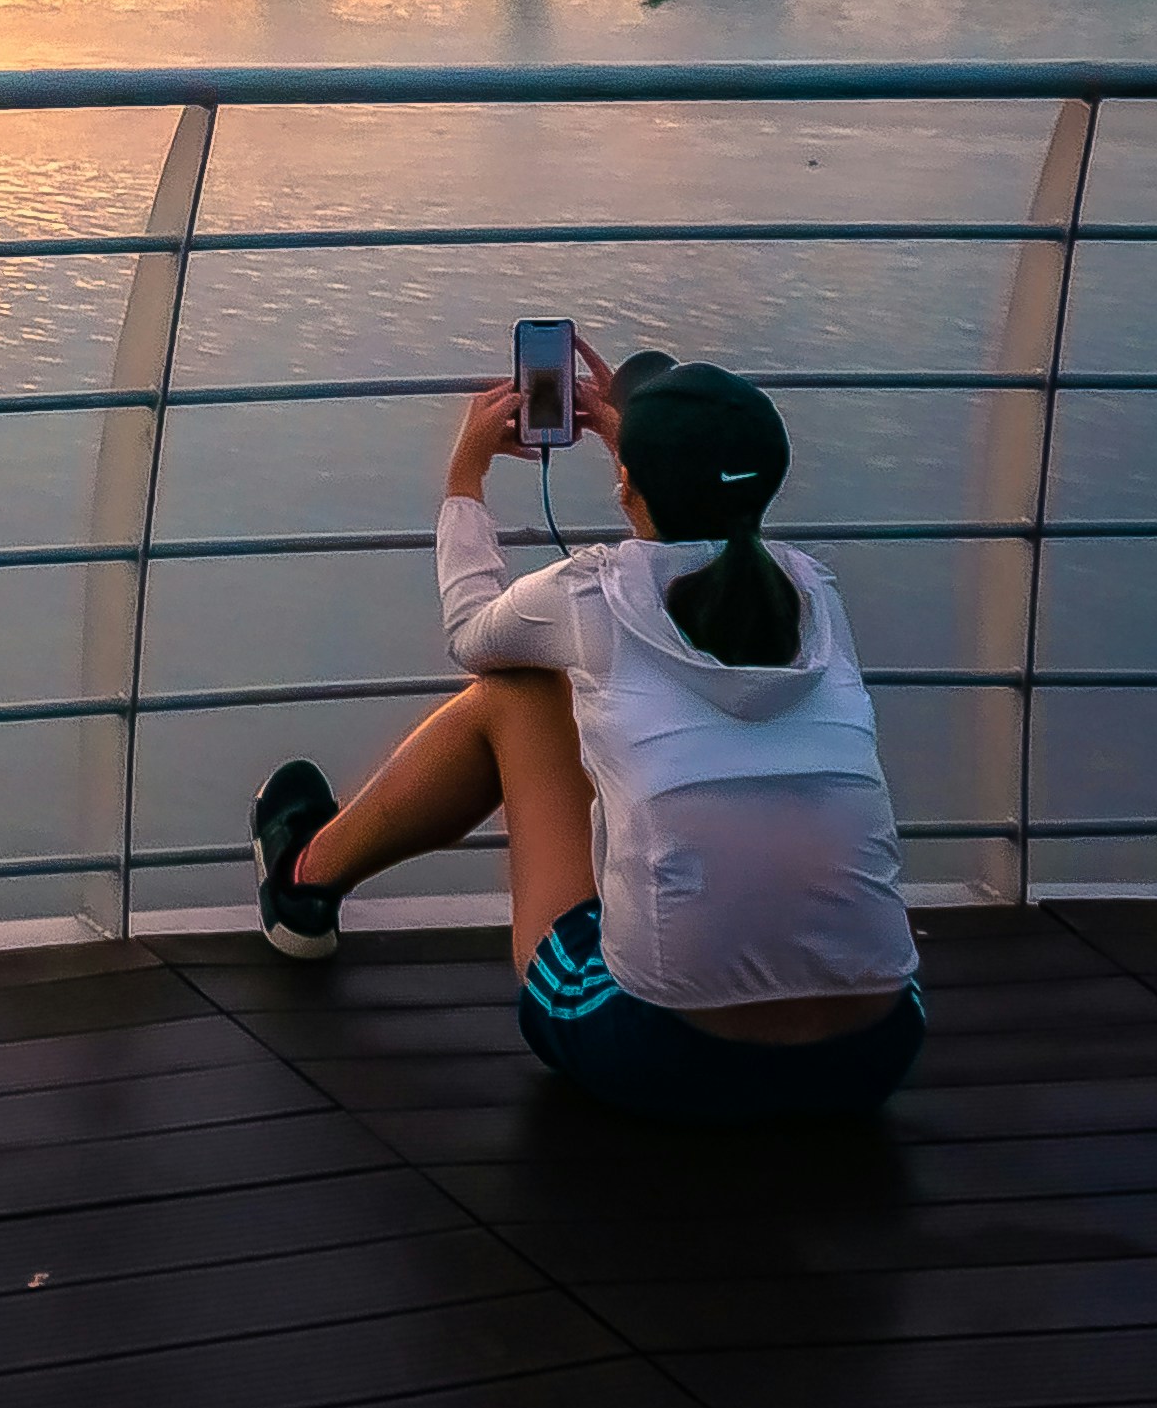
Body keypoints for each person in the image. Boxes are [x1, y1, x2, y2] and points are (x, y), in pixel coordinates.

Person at [246, 338, 924, 1119]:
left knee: (520, 693)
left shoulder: (594, 592)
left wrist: (465, 475)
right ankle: (308, 874)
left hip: (664, 1055)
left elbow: (472, 634)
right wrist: (639, 458)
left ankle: (303, 879)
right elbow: (703, 544)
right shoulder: (817, 596)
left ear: (628, 485)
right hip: (874, 1050)